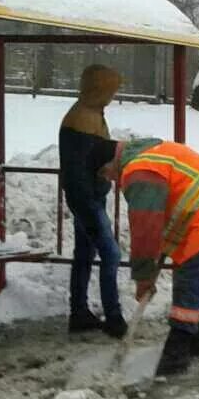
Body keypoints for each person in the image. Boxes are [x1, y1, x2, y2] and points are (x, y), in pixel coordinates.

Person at [89, 137, 199, 375]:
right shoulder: (151, 153)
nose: (109, 178)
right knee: (198, 279)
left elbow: (146, 229)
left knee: (189, 282)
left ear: (111, 161)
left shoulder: (140, 171)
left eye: (105, 172)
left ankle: (176, 354)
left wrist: (144, 275)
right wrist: (153, 266)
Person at [59, 65, 126, 337]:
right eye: (110, 91)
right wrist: (87, 209)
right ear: (98, 90)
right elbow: (77, 171)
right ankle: (113, 316)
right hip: (86, 200)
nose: (113, 96)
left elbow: (97, 154)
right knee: (111, 254)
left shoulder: (92, 114)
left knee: (85, 255)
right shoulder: (81, 120)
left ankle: (79, 312)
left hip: (92, 196)